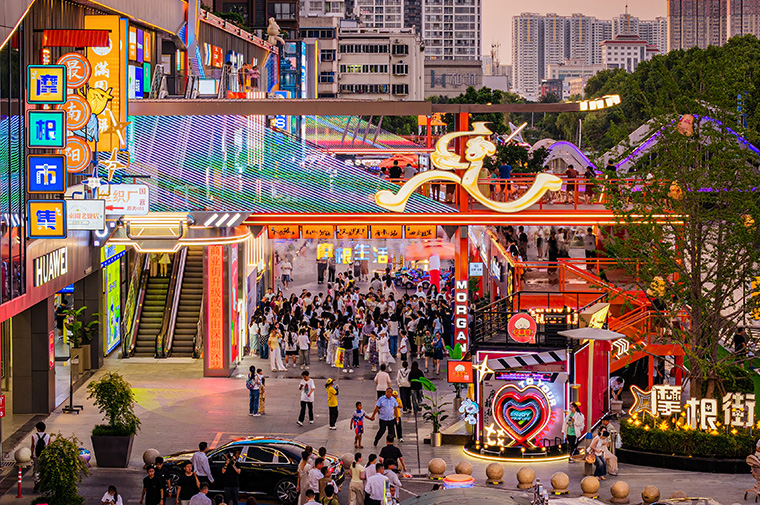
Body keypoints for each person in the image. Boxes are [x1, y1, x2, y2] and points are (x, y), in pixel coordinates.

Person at [31, 421, 49, 491]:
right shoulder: (48, 436)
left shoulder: (34, 436)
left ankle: (37, 483)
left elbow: (33, 446)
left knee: (36, 470)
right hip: (45, 456)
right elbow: (49, 446)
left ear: (38, 429)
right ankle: (44, 485)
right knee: (44, 469)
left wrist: (32, 454)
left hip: (37, 455)